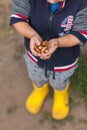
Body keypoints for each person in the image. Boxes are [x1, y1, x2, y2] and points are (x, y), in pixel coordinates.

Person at [10, 0, 87, 120]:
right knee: (36, 76)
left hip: (65, 61)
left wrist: (57, 43)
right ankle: (40, 89)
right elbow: (18, 18)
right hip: (34, 57)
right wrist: (32, 35)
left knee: (60, 82)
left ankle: (61, 94)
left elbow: (81, 33)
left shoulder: (82, 4)